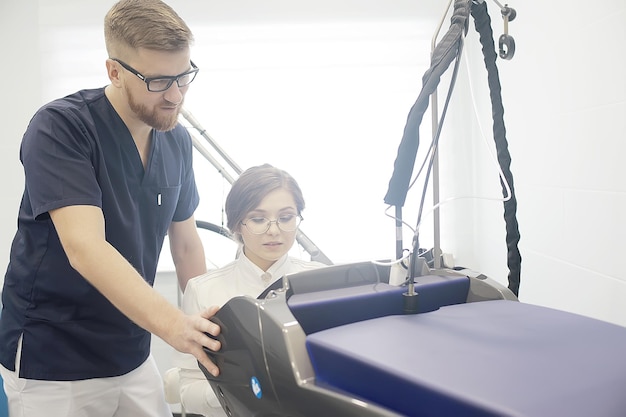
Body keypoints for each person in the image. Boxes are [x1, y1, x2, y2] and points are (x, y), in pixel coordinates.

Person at [0, 1, 222, 416]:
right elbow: (86, 248)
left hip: (132, 352)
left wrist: (211, 326)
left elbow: (187, 244)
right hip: (54, 357)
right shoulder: (61, 128)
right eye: (158, 82)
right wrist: (176, 327)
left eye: (183, 76)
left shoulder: (176, 141)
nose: (175, 96)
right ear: (114, 71)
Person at [173, 163, 327, 416]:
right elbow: (187, 388)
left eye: (286, 217)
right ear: (236, 224)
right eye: (258, 219)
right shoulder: (204, 291)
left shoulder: (320, 280)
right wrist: (241, 392)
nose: (274, 230)